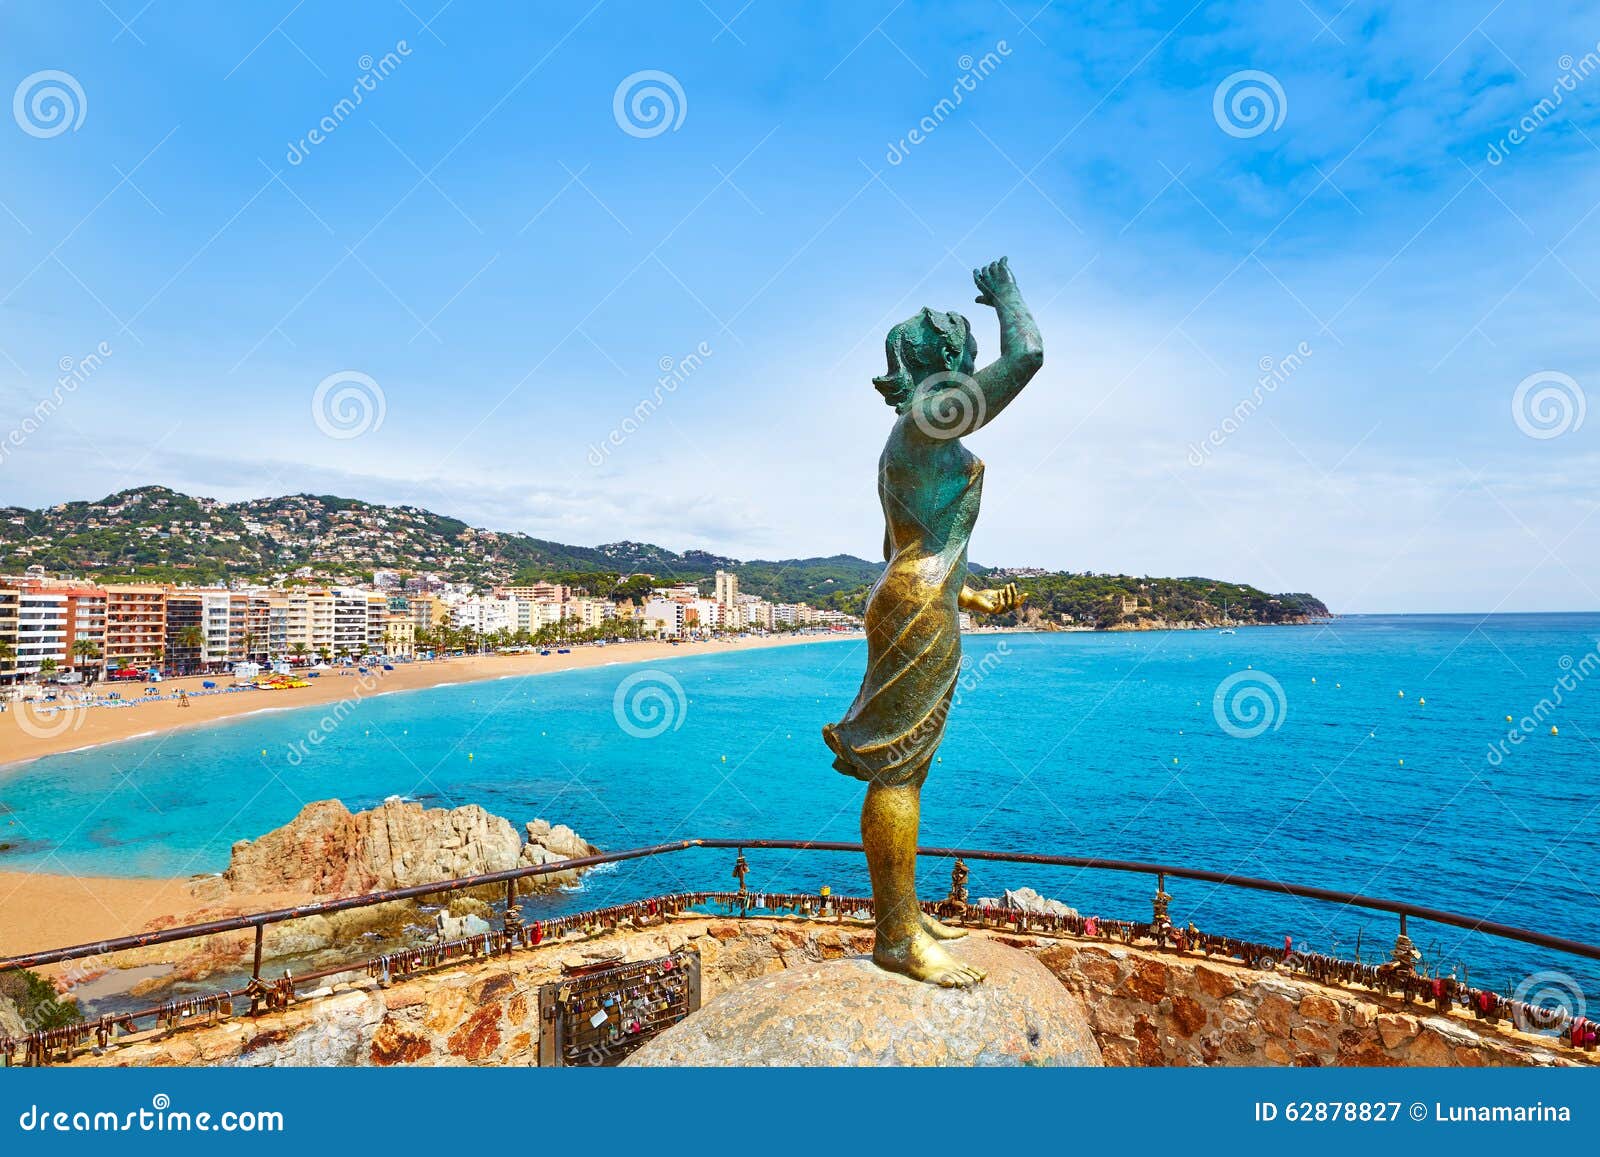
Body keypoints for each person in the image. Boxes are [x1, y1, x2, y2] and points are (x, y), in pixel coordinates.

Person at [823, 257, 1043, 987]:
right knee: (899, 774)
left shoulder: (916, 441)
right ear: (948, 363)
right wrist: (1008, 297)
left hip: (918, 600)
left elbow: (908, 543)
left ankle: (903, 914)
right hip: (916, 608)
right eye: (966, 357)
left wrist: (966, 597)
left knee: (905, 770)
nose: (975, 369)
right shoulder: (925, 421)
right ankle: (896, 937)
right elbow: (1030, 356)